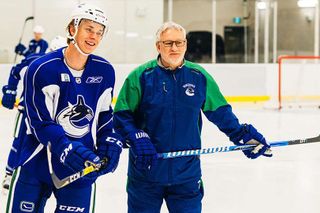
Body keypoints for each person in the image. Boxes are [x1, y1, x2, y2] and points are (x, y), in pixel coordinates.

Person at [113, 21, 272, 213]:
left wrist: (242, 135)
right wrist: (136, 136)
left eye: (179, 43)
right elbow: (121, 117)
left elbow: (220, 112)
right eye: (168, 43)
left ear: (186, 45)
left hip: (186, 176)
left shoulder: (198, 76)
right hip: (146, 173)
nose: (174, 48)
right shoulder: (140, 76)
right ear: (158, 46)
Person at [6, 3, 123, 212]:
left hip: (80, 163)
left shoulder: (105, 71)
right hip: (36, 161)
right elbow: (39, 123)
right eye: (89, 29)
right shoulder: (42, 68)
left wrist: (109, 141)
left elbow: (105, 117)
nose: (93, 37)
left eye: (99, 32)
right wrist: (63, 145)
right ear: (72, 29)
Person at [1, 36, 67, 192]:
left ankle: (42, 176)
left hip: (49, 119)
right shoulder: (35, 61)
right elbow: (16, 71)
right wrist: (10, 91)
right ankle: (10, 174)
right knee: (20, 143)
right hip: (26, 113)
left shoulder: (68, 67)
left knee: (43, 147)